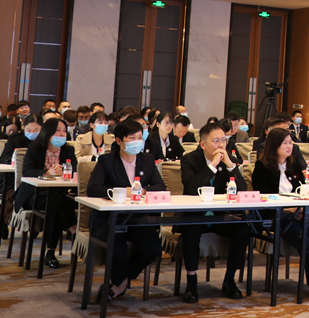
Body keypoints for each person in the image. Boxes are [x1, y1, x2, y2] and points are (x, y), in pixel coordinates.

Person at [251, 128, 309, 299]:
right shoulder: (262, 167)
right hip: (275, 216)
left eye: (290, 142)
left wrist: (301, 208)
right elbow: (261, 199)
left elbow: (303, 192)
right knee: (302, 236)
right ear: (274, 145)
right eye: (285, 143)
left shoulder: (293, 167)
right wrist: (287, 209)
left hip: (297, 213)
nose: (289, 146)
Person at [87, 120, 166, 302]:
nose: (137, 142)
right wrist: (122, 191)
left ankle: (120, 282)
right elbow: (93, 189)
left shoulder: (147, 160)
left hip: (136, 219)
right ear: (119, 141)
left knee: (153, 246)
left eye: (139, 138)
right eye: (132, 138)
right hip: (109, 219)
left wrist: (143, 190)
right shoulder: (107, 161)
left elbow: (160, 186)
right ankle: (118, 284)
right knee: (119, 249)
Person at [179, 123, 249, 303]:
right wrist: (212, 165)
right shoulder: (189, 159)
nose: (221, 145)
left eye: (224, 140)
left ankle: (229, 280)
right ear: (203, 144)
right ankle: (192, 282)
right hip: (196, 214)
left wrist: (230, 166)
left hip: (221, 215)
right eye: (216, 141)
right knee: (190, 231)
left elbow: (243, 191)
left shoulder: (229, 159)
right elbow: (191, 188)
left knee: (243, 229)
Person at [13, 117, 78, 268]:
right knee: (56, 202)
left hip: (59, 193)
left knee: (56, 203)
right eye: (57, 131)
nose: (62, 134)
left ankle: (50, 251)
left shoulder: (68, 150)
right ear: (48, 133)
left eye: (64, 131)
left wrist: (65, 171)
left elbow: (75, 171)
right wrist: (47, 172)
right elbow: (27, 171)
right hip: (34, 193)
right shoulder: (35, 148)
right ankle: (73, 229)